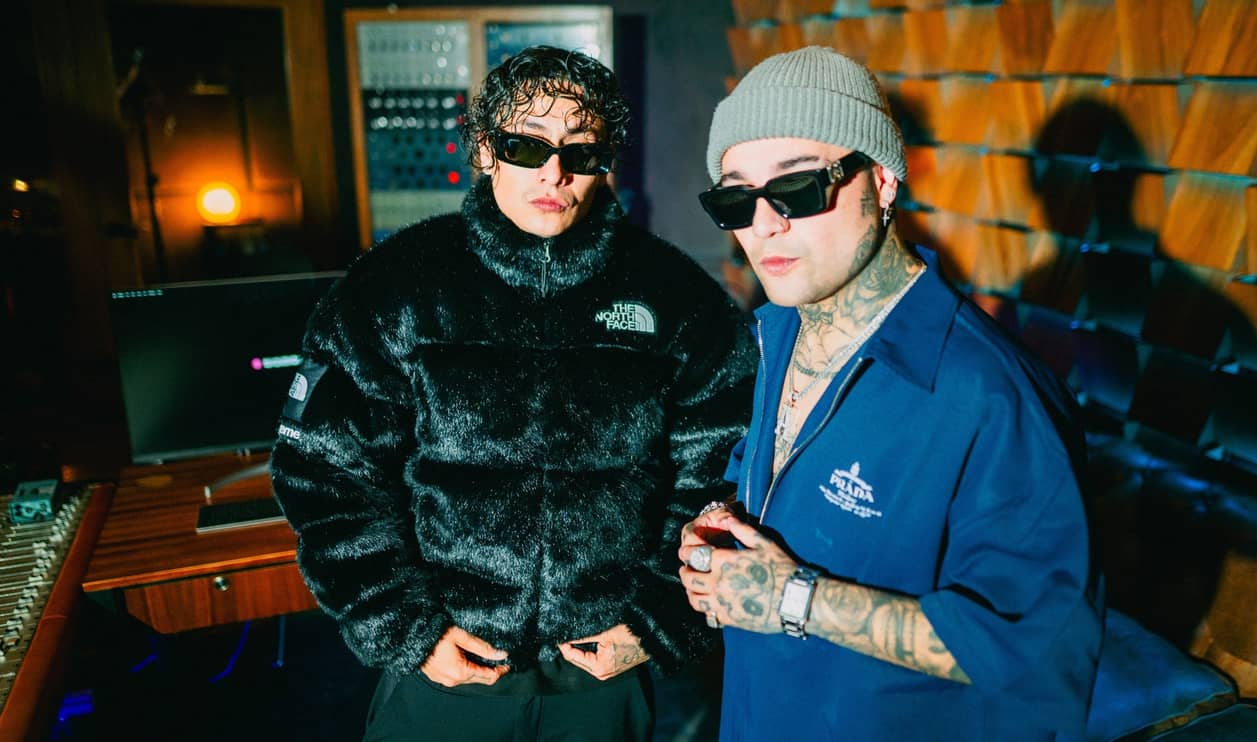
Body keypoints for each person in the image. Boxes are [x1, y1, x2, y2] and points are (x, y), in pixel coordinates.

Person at [271, 45, 756, 741]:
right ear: (483, 150)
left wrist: (656, 620)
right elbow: (324, 470)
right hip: (445, 668)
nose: (553, 173)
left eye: (580, 151)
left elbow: (722, 473)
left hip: (604, 676)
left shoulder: (676, 297)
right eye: (525, 146)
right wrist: (406, 629)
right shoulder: (396, 285)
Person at [678, 46, 1103, 741]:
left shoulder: (991, 396)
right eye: (735, 198)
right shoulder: (773, 334)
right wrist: (718, 536)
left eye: (797, 189)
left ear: (881, 182)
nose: (763, 224)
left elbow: (1036, 655)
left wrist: (795, 599)